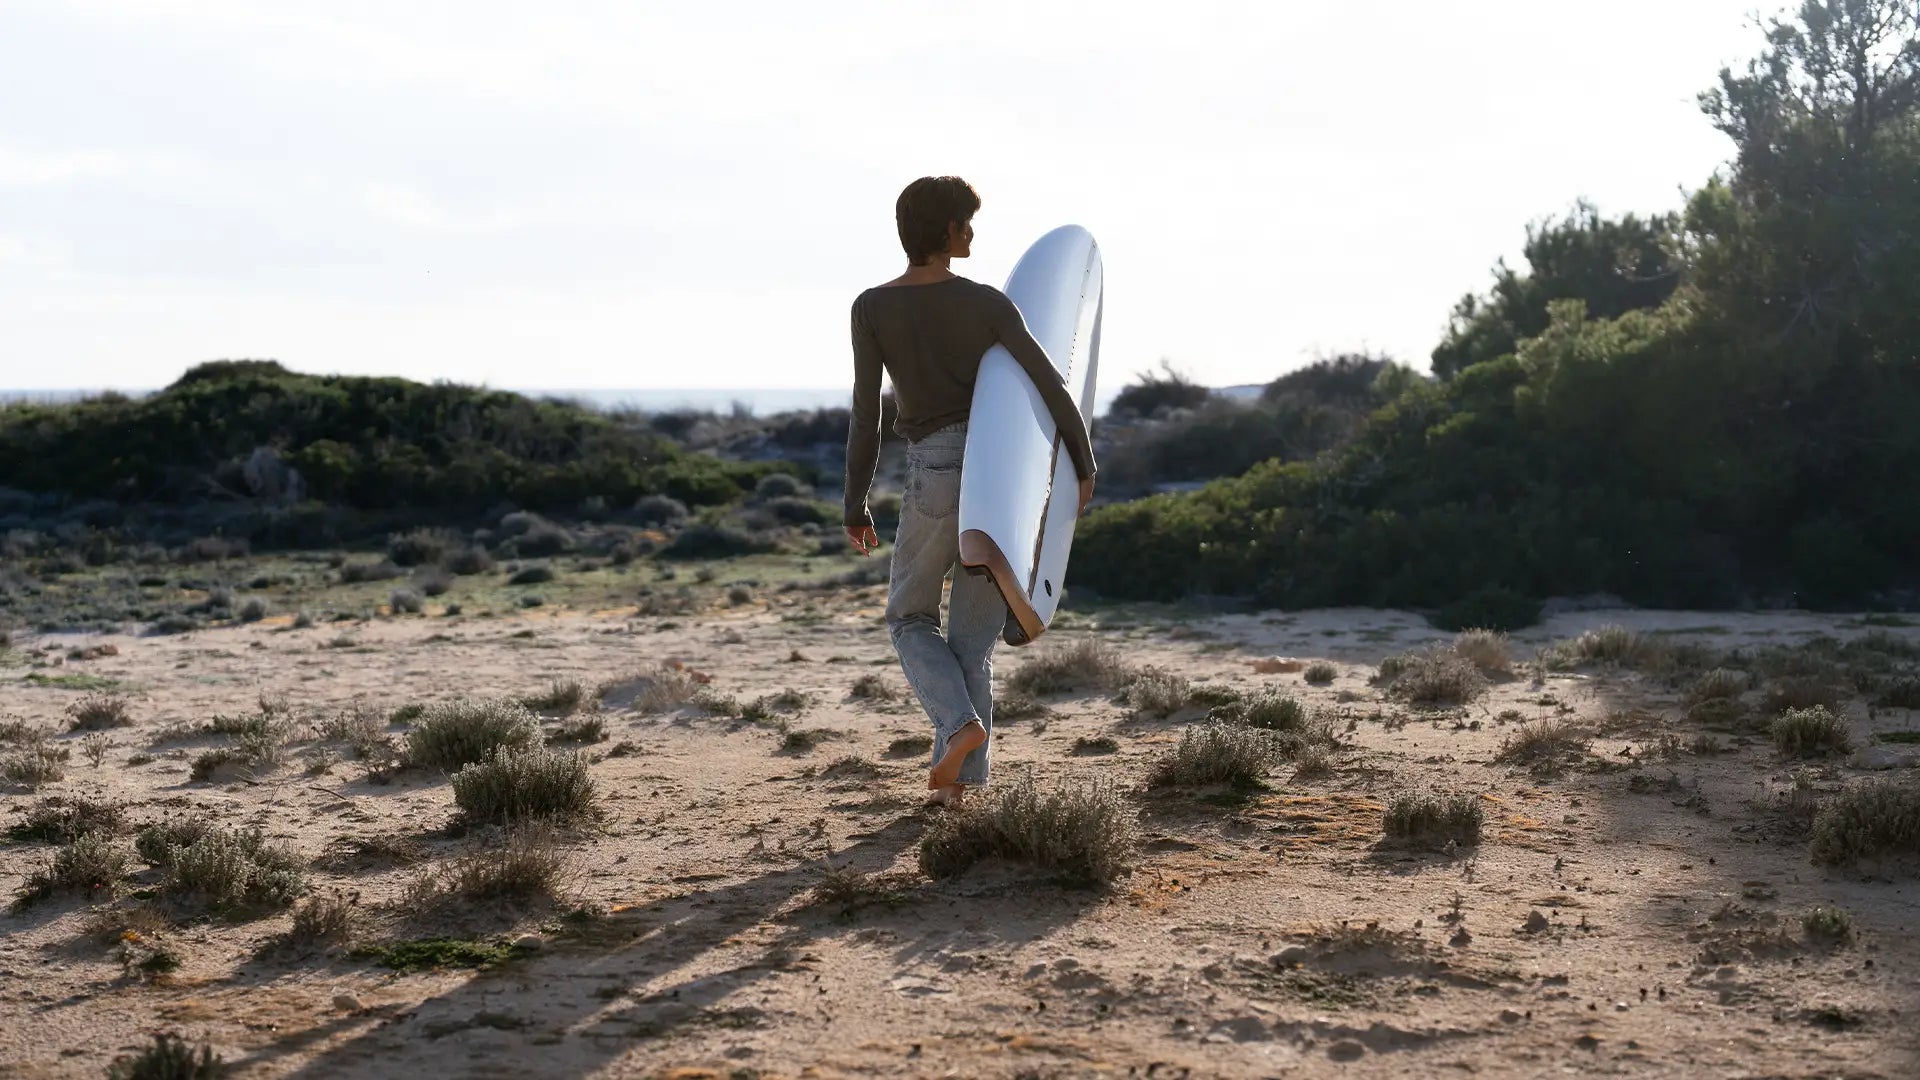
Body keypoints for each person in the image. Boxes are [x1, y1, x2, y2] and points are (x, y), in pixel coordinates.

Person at [843, 176, 1096, 810]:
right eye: (967, 222)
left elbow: (865, 415)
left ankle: (956, 751)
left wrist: (856, 500)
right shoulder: (984, 303)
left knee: (909, 617)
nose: (973, 232)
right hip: (994, 467)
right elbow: (1048, 384)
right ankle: (963, 775)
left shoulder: (872, 307)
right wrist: (1080, 463)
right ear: (947, 232)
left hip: (931, 470)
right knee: (972, 642)